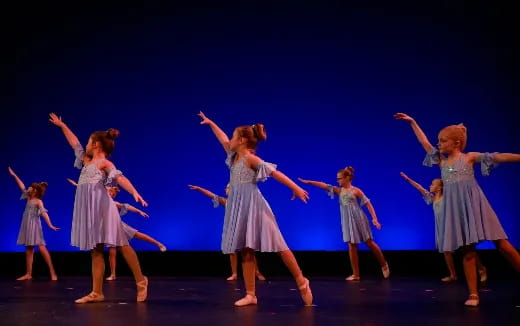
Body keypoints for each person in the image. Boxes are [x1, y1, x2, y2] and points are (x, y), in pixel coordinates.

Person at [395, 112, 520, 306]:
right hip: (458, 209)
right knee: (467, 251)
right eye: (439, 140)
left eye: (443, 141)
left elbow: (499, 156)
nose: (439, 144)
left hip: (476, 205)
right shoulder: (442, 162)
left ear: (457, 143)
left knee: (502, 244)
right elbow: (424, 143)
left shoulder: (469, 157)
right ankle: (473, 294)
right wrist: (413, 122)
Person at [198, 111, 312, 307]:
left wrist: (296, 187)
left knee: (280, 245)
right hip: (238, 205)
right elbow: (222, 138)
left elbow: (275, 173)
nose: (230, 140)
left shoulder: (250, 159)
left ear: (242, 140)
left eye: (234, 137)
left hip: (254, 205)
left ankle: (301, 280)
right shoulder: (233, 156)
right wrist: (211, 124)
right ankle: (251, 294)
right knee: (246, 249)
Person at [49, 113, 148, 303]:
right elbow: (74, 143)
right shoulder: (86, 160)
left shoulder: (104, 163)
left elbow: (119, 178)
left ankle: (141, 281)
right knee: (96, 249)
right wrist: (62, 125)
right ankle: (97, 292)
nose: (85, 145)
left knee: (122, 244)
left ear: (96, 144)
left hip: (104, 208)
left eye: (89, 142)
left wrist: (134, 192)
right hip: (91, 211)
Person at [298, 166, 389, 281]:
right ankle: (356, 274)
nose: (338, 181)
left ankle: (383, 264)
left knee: (369, 242)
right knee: (351, 245)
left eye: (340, 178)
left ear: (347, 178)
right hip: (347, 220)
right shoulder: (339, 191)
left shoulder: (356, 190)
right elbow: (324, 185)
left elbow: (367, 203)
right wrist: (309, 182)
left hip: (359, 218)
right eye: (337, 179)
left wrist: (374, 219)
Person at [400, 172, 487, 283]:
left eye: (433, 184)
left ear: (440, 188)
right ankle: (453, 275)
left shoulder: (447, 198)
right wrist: (408, 179)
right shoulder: (432, 198)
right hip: (442, 228)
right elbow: (419, 188)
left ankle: (481, 269)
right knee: (446, 250)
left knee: (466, 248)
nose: (430, 186)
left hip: (453, 226)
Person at [188, 183, 266, 281]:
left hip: (243, 229)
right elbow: (211, 195)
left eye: (228, 188)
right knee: (232, 251)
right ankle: (234, 274)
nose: (226, 189)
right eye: (226, 188)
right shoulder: (226, 202)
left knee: (249, 252)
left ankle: (257, 272)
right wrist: (199, 189)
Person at [8, 167, 59, 281]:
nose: (29, 188)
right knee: (29, 248)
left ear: (35, 190)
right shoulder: (27, 197)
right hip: (26, 225)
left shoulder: (38, 201)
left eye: (31, 187)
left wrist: (50, 225)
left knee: (41, 247)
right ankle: (28, 274)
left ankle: (52, 272)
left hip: (34, 226)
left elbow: (44, 213)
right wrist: (14, 175)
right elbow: (21, 185)